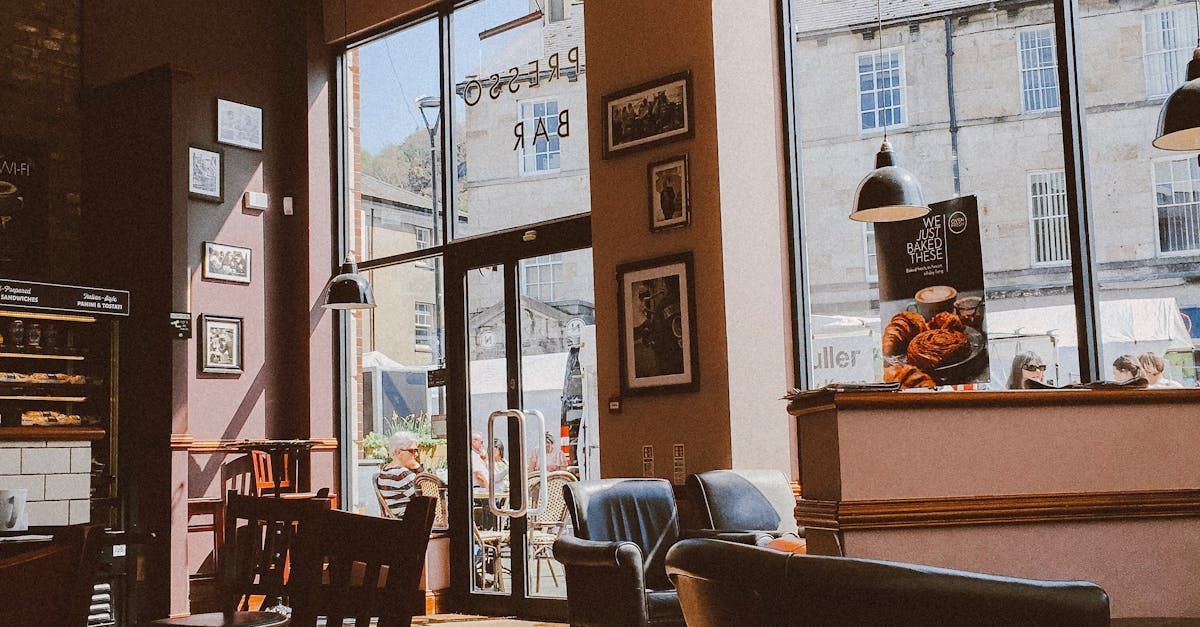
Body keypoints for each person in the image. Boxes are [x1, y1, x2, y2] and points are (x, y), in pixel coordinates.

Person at [375, 431, 422, 518]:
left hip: (396, 522)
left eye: (417, 450)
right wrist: (419, 469)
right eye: (412, 451)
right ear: (399, 452)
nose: (416, 454)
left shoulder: (385, 470)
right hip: (411, 524)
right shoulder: (401, 474)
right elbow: (426, 500)